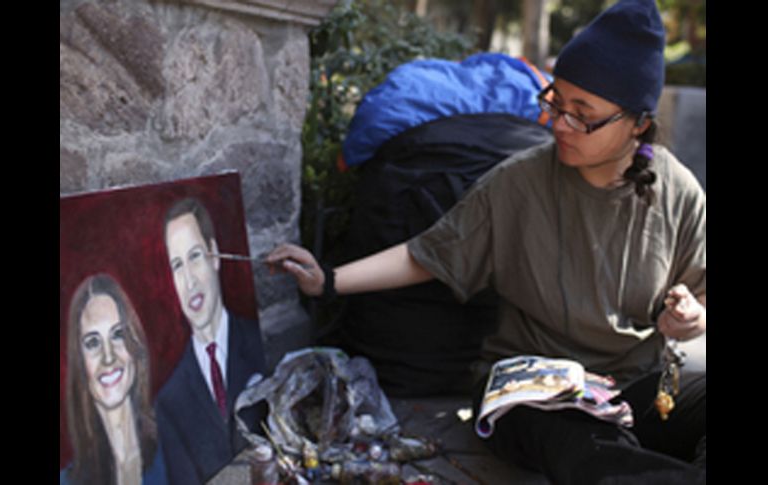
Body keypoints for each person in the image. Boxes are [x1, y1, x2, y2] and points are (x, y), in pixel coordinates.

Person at [267, 1, 705, 483]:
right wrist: (326, 280)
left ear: (638, 124)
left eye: (583, 115)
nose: (560, 123)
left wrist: (691, 316)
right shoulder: (518, 181)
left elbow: (700, 292)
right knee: (579, 443)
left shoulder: (676, 190)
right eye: (556, 102)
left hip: (634, 389)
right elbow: (428, 253)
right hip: (532, 393)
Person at [155, 197, 268, 485]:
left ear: (215, 256)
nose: (189, 280)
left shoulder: (259, 343)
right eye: (177, 265)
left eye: (195, 256)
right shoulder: (170, 400)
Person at [62, 273, 167, 485]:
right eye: (93, 343)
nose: (108, 357)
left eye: (118, 334)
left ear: (134, 348)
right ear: (80, 363)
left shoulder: (178, 438)